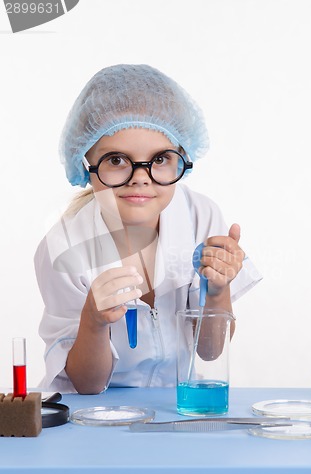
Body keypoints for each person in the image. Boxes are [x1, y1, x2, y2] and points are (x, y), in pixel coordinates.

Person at [34, 64, 262, 394]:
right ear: (87, 164)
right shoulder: (63, 246)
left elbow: (211, 352)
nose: (141, 177)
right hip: (94, 416)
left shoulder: (200, 215)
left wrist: (216, 292)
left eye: (159, 160)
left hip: (176, 405)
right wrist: (93, 321)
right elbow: (88, 384)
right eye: (116, 160)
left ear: (181, 160)